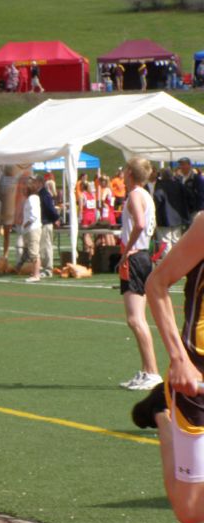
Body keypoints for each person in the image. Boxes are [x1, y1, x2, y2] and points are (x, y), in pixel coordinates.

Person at [132, 212, 204, 523]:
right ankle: (162, 413)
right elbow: (156, 285)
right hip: (196, 374)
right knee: (190, 511)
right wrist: (179, 361)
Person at [117, 157, 162, 391]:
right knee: (138, 318)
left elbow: (141, 224)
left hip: (135, 257)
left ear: (130, 173)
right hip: (142, 256)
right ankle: (147, 370)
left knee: (135, 319)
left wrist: (127, 251)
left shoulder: (135, 194)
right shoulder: (145, 194)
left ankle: (152, 371)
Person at [153, 168, 188, 258]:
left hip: (164, 218)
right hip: (177, 218)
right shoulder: (178, 184)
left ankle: (168, 262)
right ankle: (177, 260)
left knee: (165, 241)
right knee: (176, 240)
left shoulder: (161, 185)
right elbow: (185, 197)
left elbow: (158, 198)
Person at [15, 177, 42, 282]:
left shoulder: (32, 199)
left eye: (24, 188)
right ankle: (34, 272)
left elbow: (33, 216)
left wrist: (25, 224)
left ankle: (36, 275)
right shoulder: (31, 198)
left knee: (34, 252)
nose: (22, 190)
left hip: (32, 229)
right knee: (31, 252)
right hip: (30, 229)